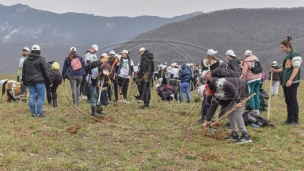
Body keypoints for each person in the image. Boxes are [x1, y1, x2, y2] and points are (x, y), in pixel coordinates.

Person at [203, 77, 252, 144]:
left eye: (205, 94)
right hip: (236, 95)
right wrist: (207, 120)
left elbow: (231, 86)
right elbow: (213, 106)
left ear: (206, 89)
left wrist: (238, 101)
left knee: (237, 114)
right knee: (230, 112)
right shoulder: (215, 94)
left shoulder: (217, 84)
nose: (206, 96)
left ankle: (245, 136)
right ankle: (234, 134)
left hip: (243, 90)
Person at [271, 35, 302, 125]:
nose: (282, 49)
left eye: (283, 47)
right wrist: (276, 70)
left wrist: (290, 79)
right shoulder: (288, 56)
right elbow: (286, 69)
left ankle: (294, 120)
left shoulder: (294, 54)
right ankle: (289, 119)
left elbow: (296, 68)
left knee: (292, 100)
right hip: (286, 82)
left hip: (292, 82)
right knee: (288, 101)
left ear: (287, 46)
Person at [22, 44, 52, 118]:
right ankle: (39, 113)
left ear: (31, 51)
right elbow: (46, 72)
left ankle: (33, 114)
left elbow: (23, 72)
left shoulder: (26, 61)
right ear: (39, 51)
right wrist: (50, 81)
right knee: (41, 97)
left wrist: (25, 82)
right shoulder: (41, 59)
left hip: (29, 81)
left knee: (32, 96)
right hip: (39, 81)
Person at [242, 50, 261, 115]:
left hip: (251, 80)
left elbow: (244, 72)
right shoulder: (256, 59)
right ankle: (257, 109)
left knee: (250, 95)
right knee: (256, 94)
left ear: (246, 55)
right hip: (258, 78)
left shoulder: (246, 61)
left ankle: (252, 109)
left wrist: (244, 80)